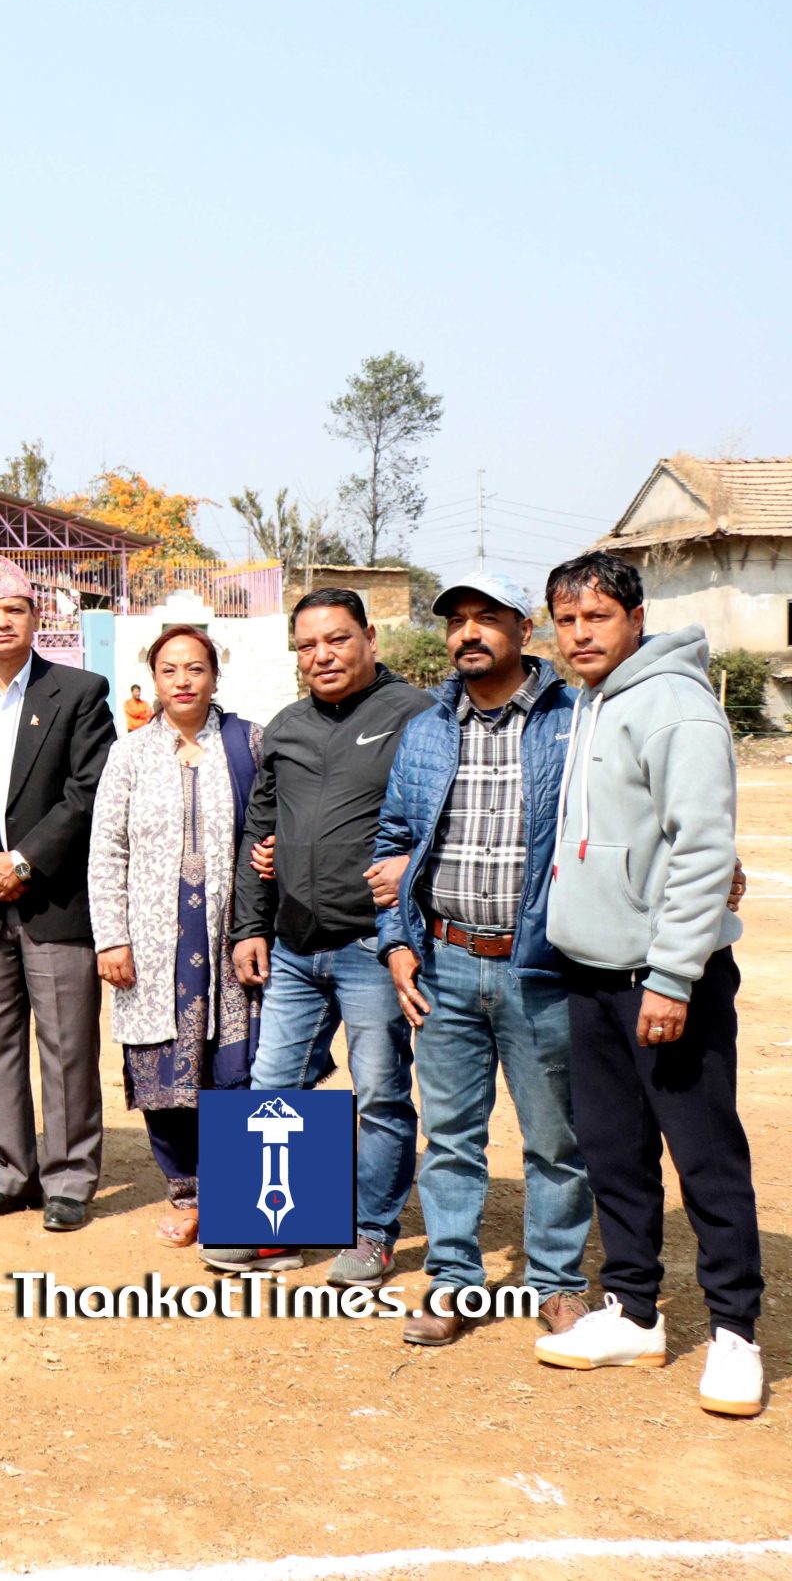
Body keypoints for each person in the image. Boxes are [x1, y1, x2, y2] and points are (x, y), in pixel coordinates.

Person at [533, 551, 766, 1417]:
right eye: (566, 620)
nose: (580, 634)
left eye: (597, 616)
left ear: (636, 617)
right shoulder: (594, 701)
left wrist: (672, 976)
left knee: (704, 1154)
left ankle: (735, 1331)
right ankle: (633, 1310)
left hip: (666, 979)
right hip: (592, 973)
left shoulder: (676, 705)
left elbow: (703, 849)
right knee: (613, 1150)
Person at [370, 573, 592, 1345]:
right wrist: (398, 942)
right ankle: (454, 1281)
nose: (468, 631)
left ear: (524, 630)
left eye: (487, 617)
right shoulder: (428, 729)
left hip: (542, 969)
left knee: (555, 1139)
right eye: (457, 619)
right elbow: (393, 841)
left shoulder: (573, 722)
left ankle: (557, 1283)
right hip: (446, 962)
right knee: (452, 1137)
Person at [226, 587, 434, 1284]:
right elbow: (258, 831)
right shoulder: (285, 727)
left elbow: (445, 816)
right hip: (293, 945)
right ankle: (273, 1226)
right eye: (308, 645)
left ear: (370, 638)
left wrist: (411, 868)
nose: (323, 655)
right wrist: (250, 925)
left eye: (337, 639)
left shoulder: (415, 716)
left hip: (374, 947)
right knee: (273, 1085)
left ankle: (372, 1232)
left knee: (379, 1092)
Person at [0, 556, 117, 1231]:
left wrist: (25, 862)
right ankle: (11, 1172)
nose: (2, 620)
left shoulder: (80, 692)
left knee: (67, 1047)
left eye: (15, 609)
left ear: (37, 617)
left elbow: (87, 791)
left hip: (54, 899)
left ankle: (68, 1178)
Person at [85, 625, 261, 1251]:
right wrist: (112, 938)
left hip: (230, 939)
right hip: (153, 943)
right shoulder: (129, 754)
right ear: (153, 680)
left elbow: (271, 829)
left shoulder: (248, 744)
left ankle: (233, 1198)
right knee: (161, 1072)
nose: (183, 681)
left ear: (215, 675)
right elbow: (107, 850)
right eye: (169, 670)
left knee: (235, 1068)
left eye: (195, 668)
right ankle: (186, 1194)